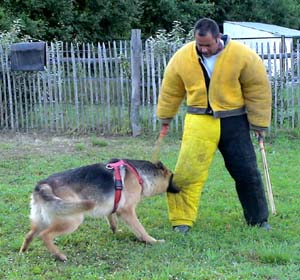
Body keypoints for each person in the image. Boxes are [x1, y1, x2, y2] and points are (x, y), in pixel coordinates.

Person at [156, 18, 272, 233]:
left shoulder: (242, 55)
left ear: (218, 38)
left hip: (234, 121)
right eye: (200, 45)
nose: (203, 49)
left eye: (208, 45)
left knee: (247, 172)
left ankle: (258, 220)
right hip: (198, 121)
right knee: (187, 173)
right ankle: (181, 220)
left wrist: (259, 122)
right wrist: (165, 116)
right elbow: (171, 88)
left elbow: (257, 89)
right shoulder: (182, 57)